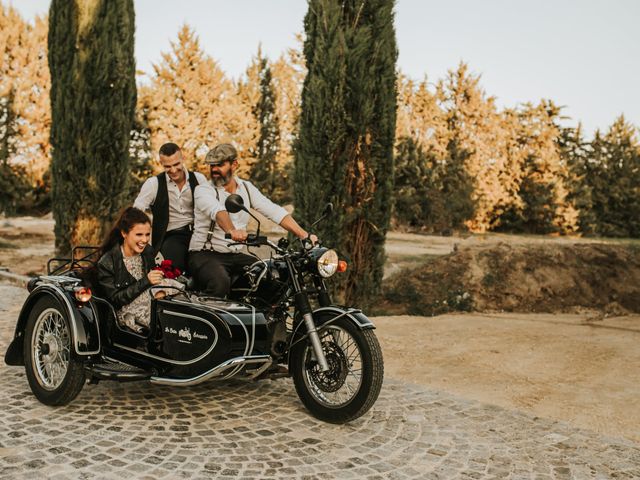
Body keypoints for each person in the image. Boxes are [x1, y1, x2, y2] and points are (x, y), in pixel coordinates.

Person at [188, 143, 317, 297]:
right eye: (212, 165)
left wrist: (304, 235)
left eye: (220, 165)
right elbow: (217, 211)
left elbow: (273, 210)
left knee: (270, 276)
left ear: (234, 164)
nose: (214, 170)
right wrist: (232, 230)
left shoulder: (246, 188)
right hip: (204, 254)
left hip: (234, 255)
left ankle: (267, 319)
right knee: (220, 283)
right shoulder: (203, 190)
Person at [96, 207, 182, 333]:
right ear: (124, 233)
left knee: (177, 292)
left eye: (147, 234)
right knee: (162, 297)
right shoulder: (107, 262)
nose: (144, 240)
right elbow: (116, 300)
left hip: (151, 300)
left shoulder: (147, 251)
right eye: (139, 234)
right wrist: (146, 281)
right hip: (125, 311)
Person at [133, 142, 207, 274]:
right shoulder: (153, 184)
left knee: (205, 267)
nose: (173, 170)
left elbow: (211, 207)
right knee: (174, 270)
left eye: (176, 164)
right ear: (161, 163)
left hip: (199, 233)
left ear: (182, 159)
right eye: (167, 166)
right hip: (171, 236)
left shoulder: (199, 179)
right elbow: (136, 212)